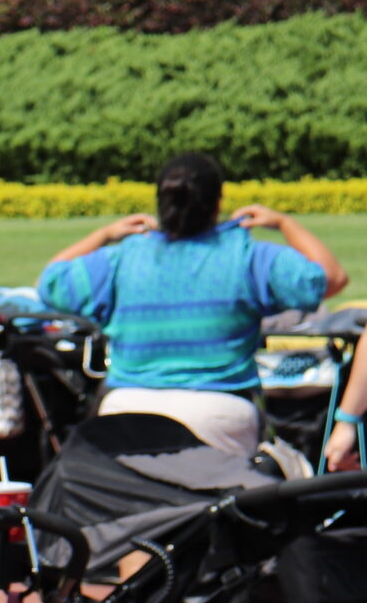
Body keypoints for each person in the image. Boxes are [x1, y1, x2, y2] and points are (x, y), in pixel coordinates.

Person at [40, 153, 347, 458]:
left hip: (127, 411)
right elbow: (332, 278)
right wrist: (284, 223)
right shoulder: (246, 256)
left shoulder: (122, 259)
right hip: (221, 413)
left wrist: (105, 234)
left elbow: (50, 283)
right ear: (217, 204)